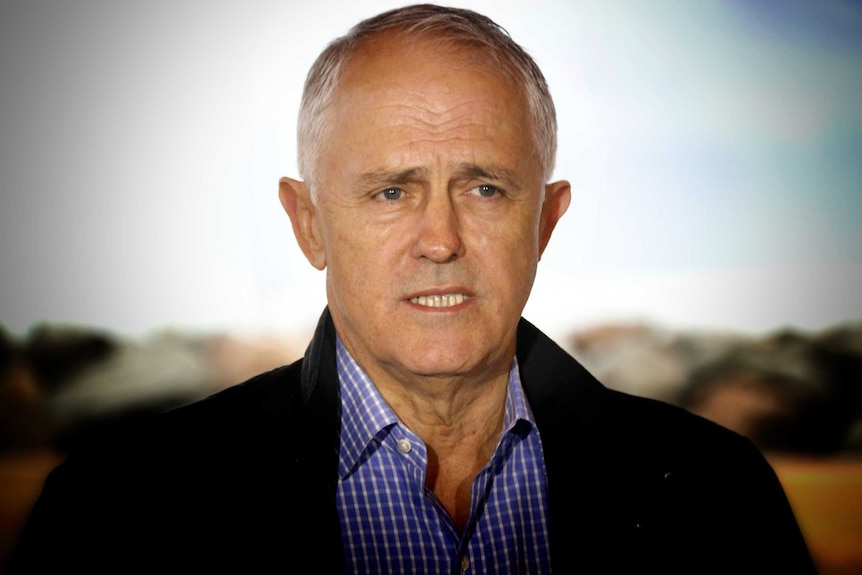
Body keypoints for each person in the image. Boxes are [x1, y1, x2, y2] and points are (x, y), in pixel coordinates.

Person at [9, 4, 815, 573]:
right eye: (391, 190)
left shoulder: (719, 494)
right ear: (308, 223)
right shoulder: (116, 512)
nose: (440, 240)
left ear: (546, 220)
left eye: (485, 189)